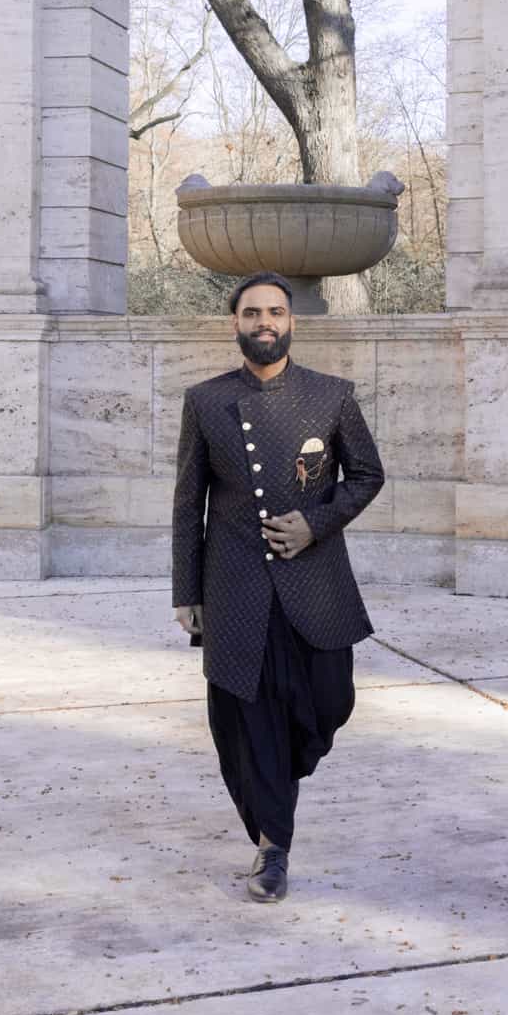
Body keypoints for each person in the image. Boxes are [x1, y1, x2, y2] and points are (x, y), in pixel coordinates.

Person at [172, 272, 385, 903]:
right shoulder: (206, 401)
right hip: (235, 582)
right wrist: (187, 591)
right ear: (235, 323)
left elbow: (367, 474)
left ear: (291, 322)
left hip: (316, 584)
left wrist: (315, 523)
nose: (265, 321)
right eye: (252, 312)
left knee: (329, 702)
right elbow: (189, 503)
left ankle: (278, 781)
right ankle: (272, 847)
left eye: (276, 312)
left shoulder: (332, 395)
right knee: (251, 716)